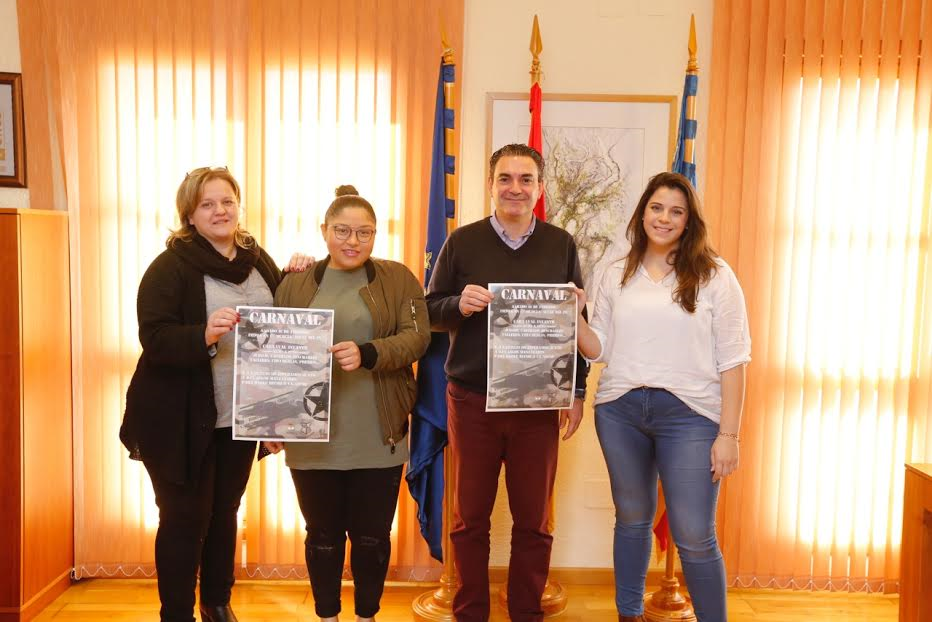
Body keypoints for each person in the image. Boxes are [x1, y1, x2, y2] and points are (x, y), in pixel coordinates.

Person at [120, 166, 309, 622]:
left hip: (240, 416)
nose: (220, 210)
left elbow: (280, 331)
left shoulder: (255, 256)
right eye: (207, 204)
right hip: (177, 419)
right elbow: (155, 337)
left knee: (225, 513)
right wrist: (203, 333)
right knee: (185, 519)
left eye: (227, 201)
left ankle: (218, 604)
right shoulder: (170, 267)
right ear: (189, 214)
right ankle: (178, 613)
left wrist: (296, 274)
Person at [573, 172, 750, 622]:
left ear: (689, 221)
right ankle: (628, 616)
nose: (664, 218)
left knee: (693, 534)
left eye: (676, 211)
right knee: (631, 519)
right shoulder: (616, 273)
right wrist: (574, 317)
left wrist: (729, 434)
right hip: (620, 411)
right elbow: (600, 349)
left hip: (691, 416)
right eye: (657, 208)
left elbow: (735, 358)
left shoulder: (715, 275)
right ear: (643, 212)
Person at [426, 144, 589, 622]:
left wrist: (577, 391)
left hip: (538, 404)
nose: (514, 188)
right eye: (505, 178)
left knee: (534, 522)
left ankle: (525, 612)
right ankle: (470, 613)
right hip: (472, 401)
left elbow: (577, 320)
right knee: (469, 520)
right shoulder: (463, 242)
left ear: (540, 188)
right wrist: (459, 304)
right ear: (491, 184)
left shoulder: (561, 245)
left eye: (525, 179)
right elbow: (430, 309)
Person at [265, 185, 430, 622]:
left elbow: (417, 338)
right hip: (311, 437)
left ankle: (366, 615)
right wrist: (271, 422)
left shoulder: (398, 278)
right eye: (342, 231)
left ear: (376, 235)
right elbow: (272, 354)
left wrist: (369, 352)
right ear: (324, 231)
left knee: (373, 537)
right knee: (322, 535)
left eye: (365, 233)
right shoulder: (294, 282)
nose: (353, 242)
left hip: (379, 431)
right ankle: (327, 615)